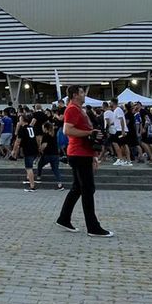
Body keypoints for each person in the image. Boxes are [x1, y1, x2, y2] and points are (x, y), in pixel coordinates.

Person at [56, 85, 112, 237]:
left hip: (83, 153)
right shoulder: (72, 109)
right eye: (82, 92)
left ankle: (64, 218)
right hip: (78, 153)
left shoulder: (79, 109)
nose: (84, 94)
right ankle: (93, 227)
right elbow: (67, 130)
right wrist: (89, 132)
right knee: (87, 189)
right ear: (75, 95)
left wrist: (93, 155)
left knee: (78, 188)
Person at [37, 118, 66, 190]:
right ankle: (60, 185)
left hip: (47, 154)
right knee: (55, 169)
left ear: (46, 128)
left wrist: (40, 149)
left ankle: (38, 177)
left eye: (43, 128)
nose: (42, 129)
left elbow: (45, 145)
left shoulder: (46, 135)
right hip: (55, 154)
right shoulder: (54, 134)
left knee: (40, 164)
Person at [17, 113, 41, 191]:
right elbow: (37, 138)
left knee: (29, 168)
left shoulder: (22, 129)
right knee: (29, 166)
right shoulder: (32, 128)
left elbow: (18, 141)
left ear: (23, 120)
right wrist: (38, 147)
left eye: (20, 119)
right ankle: (29, 179)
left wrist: (15, 151)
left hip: (28, 150)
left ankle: (32, 185)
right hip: (34, 149)